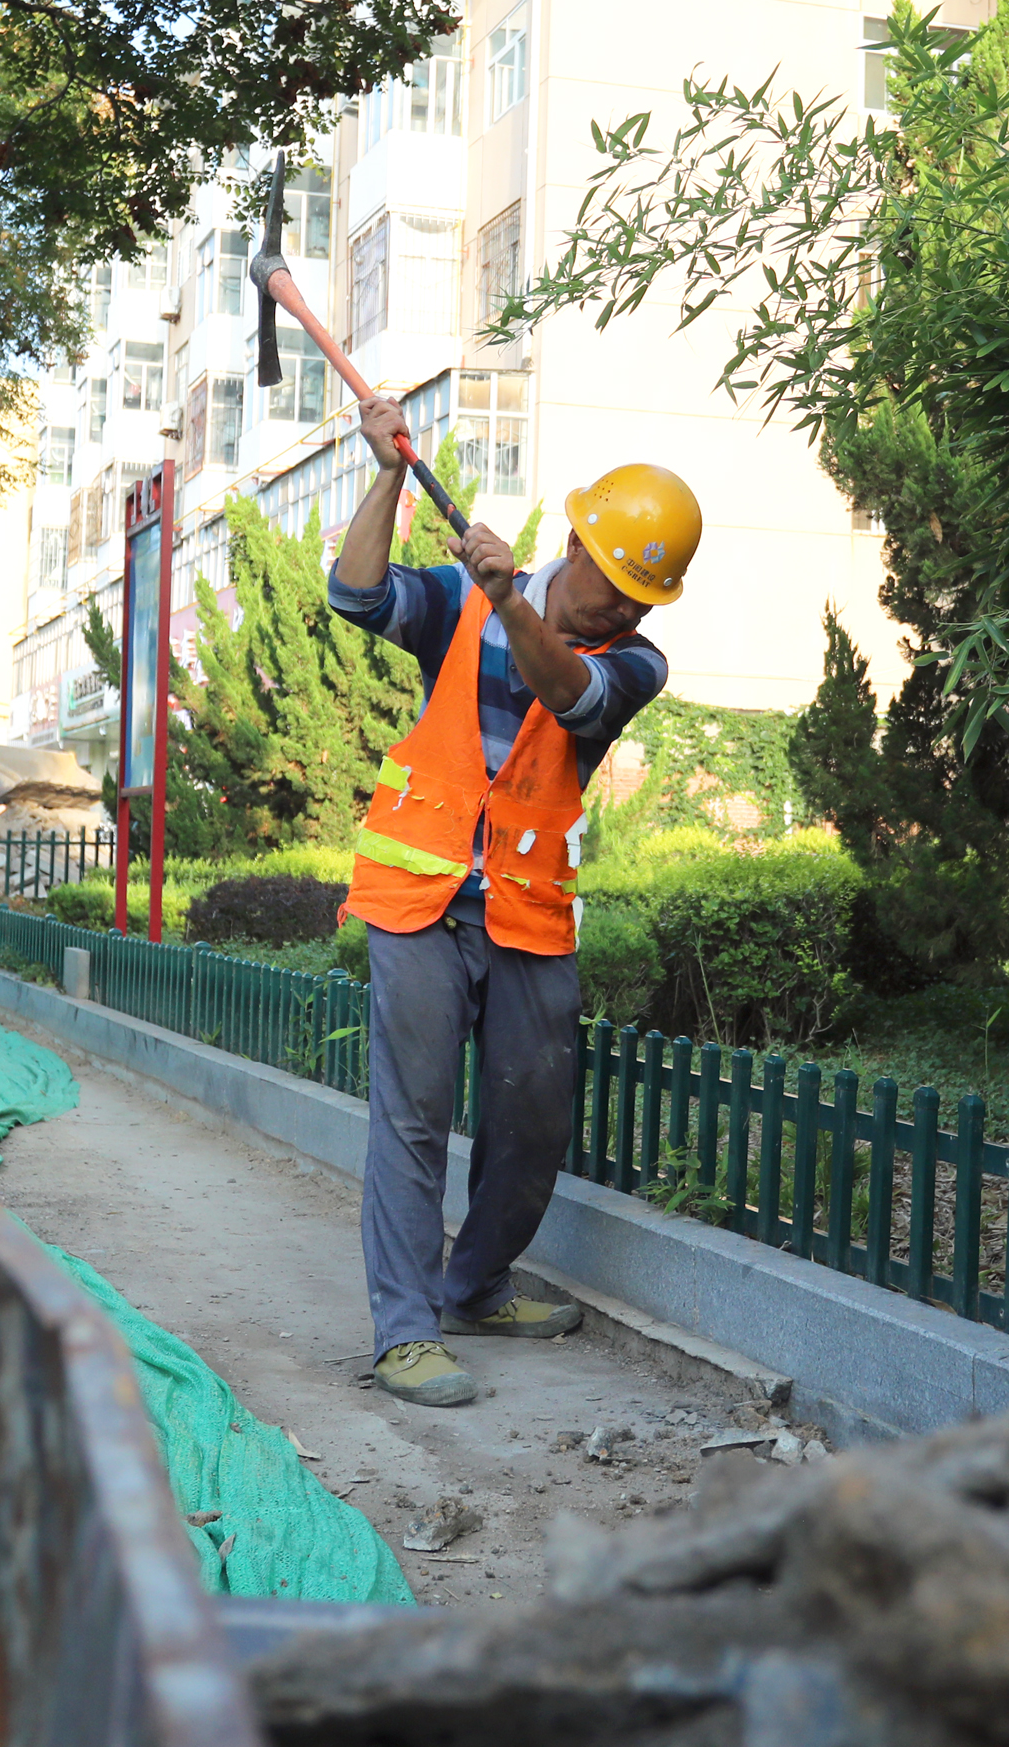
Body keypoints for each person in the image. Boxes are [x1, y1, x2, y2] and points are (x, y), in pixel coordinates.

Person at [331, 394, 696, 1406]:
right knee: (412, 1119)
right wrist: (391, 471)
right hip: (422, 897)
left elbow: (568, 695)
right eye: (612, 581)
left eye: (640, 598)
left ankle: (474, 1285)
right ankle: (404, 1331)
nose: (622, 609)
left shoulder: (634, 662)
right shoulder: (459, 599)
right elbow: (355, 597)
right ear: (573, 540)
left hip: (528, 911)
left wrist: (514, 602)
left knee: (533, 1121)